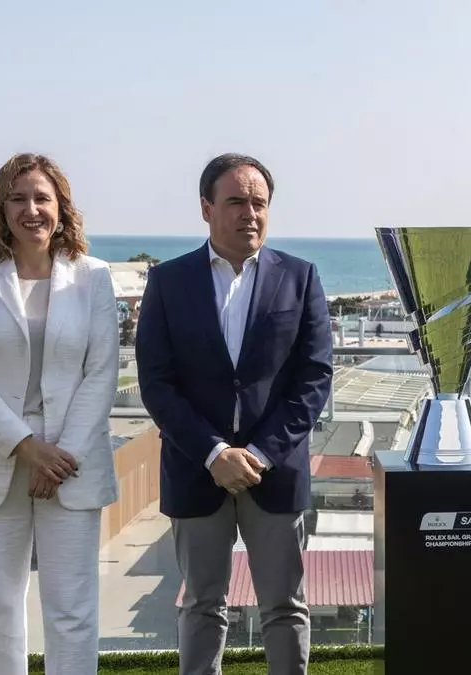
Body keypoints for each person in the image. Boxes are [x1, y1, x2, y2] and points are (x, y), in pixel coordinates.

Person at [135, 153, 334, 675]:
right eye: (236, 201)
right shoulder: (168, 282)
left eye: (259, 203)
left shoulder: (300, 277)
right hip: (196, 469)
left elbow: (314, 379)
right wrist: (214, 452)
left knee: (285, 606)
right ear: (206, 208)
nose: (250, 213)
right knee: (202, 605)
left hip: (275, 472)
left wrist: (261, 454)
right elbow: (157, 383)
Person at [0, 153, 119, 675]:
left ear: (62, 207)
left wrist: (58, 458)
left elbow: (101, 374)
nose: (31, 209)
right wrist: (27, 447)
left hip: (71, 463)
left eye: (42, 197)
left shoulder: (93, 277)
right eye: (17, 198)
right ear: (0, 207)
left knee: (73, 612)